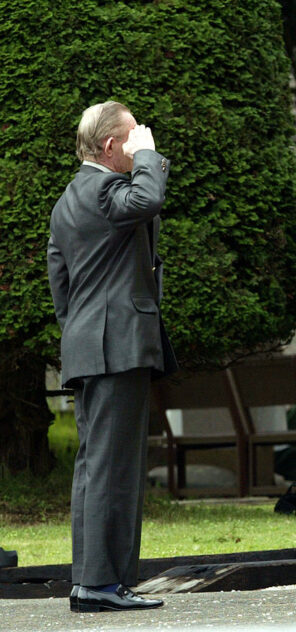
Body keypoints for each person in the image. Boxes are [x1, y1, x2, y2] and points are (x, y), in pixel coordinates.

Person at [47, 101, 177, 611]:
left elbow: (61, 283)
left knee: (96, 466)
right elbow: (148, 198)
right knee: (113, 467)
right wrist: (149, 155)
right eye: (132, 136)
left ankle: (94, 580)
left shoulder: (69, 198)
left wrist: (81, 331)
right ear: (110, 147)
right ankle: (101, 583)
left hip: (90, 341)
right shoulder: (106, 189)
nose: (141, 139)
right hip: (116, 344)